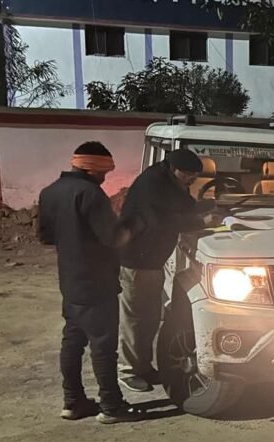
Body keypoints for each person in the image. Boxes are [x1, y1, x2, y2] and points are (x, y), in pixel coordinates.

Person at [38, 141, 144, 424]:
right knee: (103, 346)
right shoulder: (91, 194)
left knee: (72, 342)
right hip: (97, 282)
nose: (105, 177)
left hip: (70, 281)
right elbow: (114, 238)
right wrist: (134, 225)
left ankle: (73, 402)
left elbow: (46, 236)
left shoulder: (49, 192)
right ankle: (111, 406)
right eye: (104, 172)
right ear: (92, 168)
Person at [117, 148, 213, 392]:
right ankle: (128, 371)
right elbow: (161, 221)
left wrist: (206, 206)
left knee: (150, 317)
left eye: (194, 176)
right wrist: (200, 221)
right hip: (136, 261)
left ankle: (143, 367)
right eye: (188, 174)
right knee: (135, 318)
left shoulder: (172, 182)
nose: (191, 179)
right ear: (174, 168)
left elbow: (184, 205)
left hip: (153, 261)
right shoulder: (152, 185)